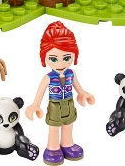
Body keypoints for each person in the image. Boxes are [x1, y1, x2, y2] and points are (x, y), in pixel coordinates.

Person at [25, 21, 95, 165]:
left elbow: (78, 88)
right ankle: (52, 148)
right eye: (53, 59)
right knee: (54, 127)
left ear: (74, 55)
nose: (61, 64)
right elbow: (40, 93)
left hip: (69, 104)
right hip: (55, 106)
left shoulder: (71, 74)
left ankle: (67, 144)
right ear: (44, 57)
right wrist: (35, 106)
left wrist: (83, 94)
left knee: (69, 124)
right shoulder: (48, 78)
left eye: (66, 58)